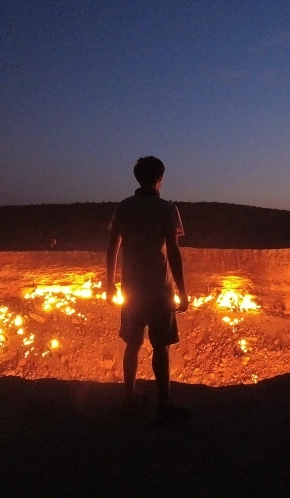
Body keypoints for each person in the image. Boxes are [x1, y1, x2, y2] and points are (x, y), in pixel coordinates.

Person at [105, 156, 190, 424]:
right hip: (159, 291)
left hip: (132, 289)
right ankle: (163, 404)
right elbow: (174, 253)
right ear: (160, 179)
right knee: (161, 347)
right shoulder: (167, 209)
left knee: (132, 344)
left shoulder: (124, 207)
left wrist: (109, 284)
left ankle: (129, 396)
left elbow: (112, 248)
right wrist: (182, 290)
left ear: (138, 178)